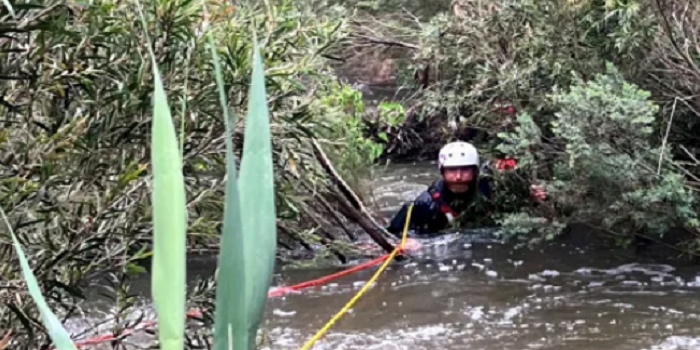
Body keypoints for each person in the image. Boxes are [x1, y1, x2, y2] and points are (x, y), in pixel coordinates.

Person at [386, 141, 546, 239]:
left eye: (465, 170)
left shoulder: (490, 187)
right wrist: (408, 241)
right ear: (442, 172)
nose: (458, 177)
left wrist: (533, 197)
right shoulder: (426, 202)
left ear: (475, 171)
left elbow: (517, 203)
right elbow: (394, 232)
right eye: (452, 171)